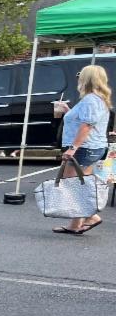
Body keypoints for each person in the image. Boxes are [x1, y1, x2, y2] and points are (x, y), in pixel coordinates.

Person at [53, 64, 112, 235]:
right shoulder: (98, 99)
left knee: (72, 185)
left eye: (81, 75)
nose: (78, 78)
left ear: (87, 79)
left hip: (85, 147)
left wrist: (72, 148)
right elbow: (85, 120)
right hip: (93, 147)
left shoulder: (91, 99)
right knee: (80, 183)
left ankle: (91, 216)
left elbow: (86, 126)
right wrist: (68, 111)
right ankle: (75, 225)